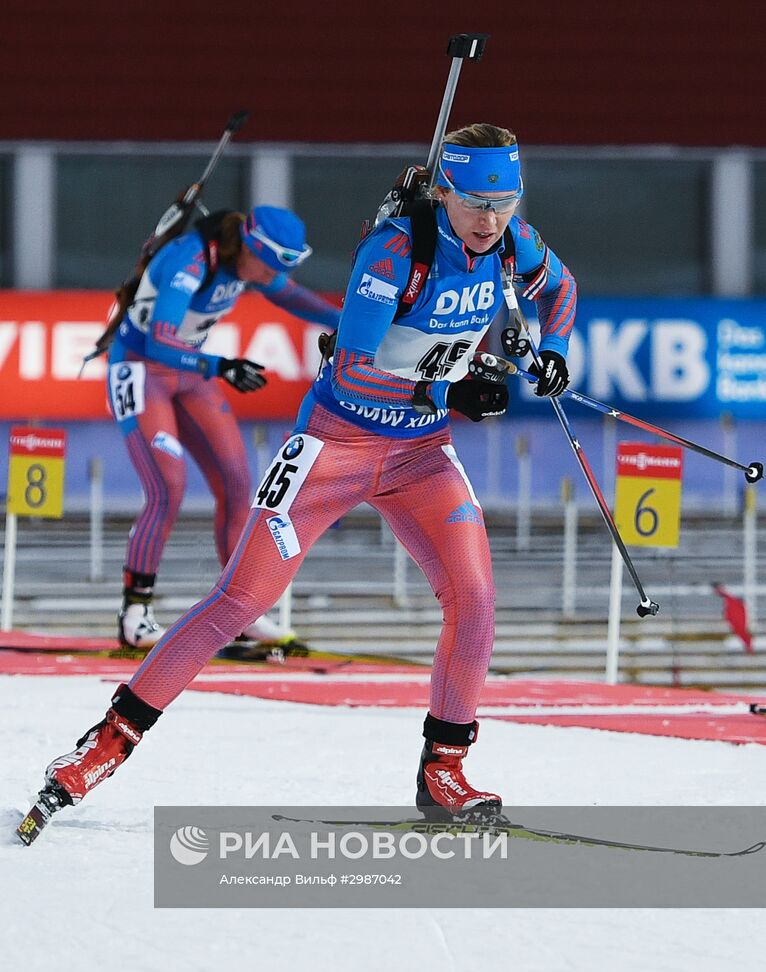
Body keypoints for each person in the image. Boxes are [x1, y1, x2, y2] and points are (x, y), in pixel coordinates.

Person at [41, 123, 577, 821]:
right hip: (337, 446)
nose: (489, 219)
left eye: (503, 202)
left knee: (475, 601)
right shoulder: (395, 252)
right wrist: (452, 390)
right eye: (475, 202)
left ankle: (444, 773)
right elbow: (352, 375)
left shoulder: (513, 243)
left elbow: (560, 289)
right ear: (446, 191)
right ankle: (102, 745)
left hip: (420, 455)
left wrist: (556, 348)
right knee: (239, 602)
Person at [108, 204, 341, 649]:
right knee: (167, 487)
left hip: (188, 374)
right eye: (269, 265)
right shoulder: (191, 259)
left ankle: (241, 612)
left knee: (238, 483)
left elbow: (293, 296)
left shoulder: (249, 263)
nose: (270, 275)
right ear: (251, 249)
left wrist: (351, 322)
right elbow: (160, 341)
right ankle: (134, 613)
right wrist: (220, 365)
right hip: (141, 369)